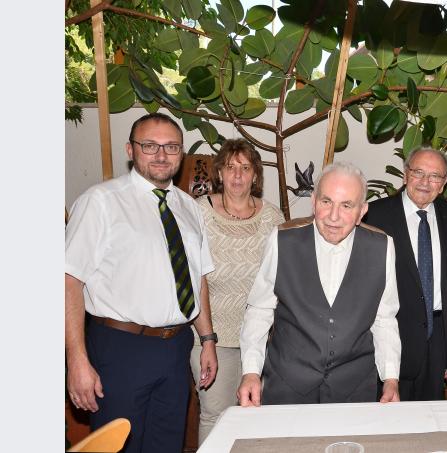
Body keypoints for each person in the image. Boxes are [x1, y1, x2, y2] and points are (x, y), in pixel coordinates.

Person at [65, 112, 218, 453]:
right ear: (130, 150)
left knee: (166, 445)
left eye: (171, 147)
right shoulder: (100, 202)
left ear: (181, 153)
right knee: (117, 446)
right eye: (150, 145)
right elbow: (69, 280)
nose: (161, 155)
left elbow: (197, 279)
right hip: (120, 348)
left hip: (175, 348)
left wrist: (207, 338)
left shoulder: (189, 208)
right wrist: (76, 359)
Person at [237, 161, 402, 405]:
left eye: (347, 205)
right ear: (314, 202)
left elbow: (384, 319)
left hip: (354, 390)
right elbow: (260, 309)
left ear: (362, 211)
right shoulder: (283, 240)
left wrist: (390, 379)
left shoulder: (382, 247)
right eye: (327, 202)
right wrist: (251, 372)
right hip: (287, 384)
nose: (334, 216)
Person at [190, 139, 284, 443]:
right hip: (212, 338)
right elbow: (192, 278)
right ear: (219, 173)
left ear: (255, 175)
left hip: (261, 338)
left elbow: (283, 278)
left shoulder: (273, 217)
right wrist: (207, 340)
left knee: (257, 414)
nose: (238, 175)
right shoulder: (199, 212)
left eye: (245, 168)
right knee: (215, 415)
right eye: (230, 167)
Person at [363, 147, 447, 401]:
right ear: (405, 175)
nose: (425, 182)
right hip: (387, 337)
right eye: (418, 172)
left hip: (436, 339)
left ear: (443, 184)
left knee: (429, 418)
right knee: (388, 421)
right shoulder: (374, 215)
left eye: (435, 176)